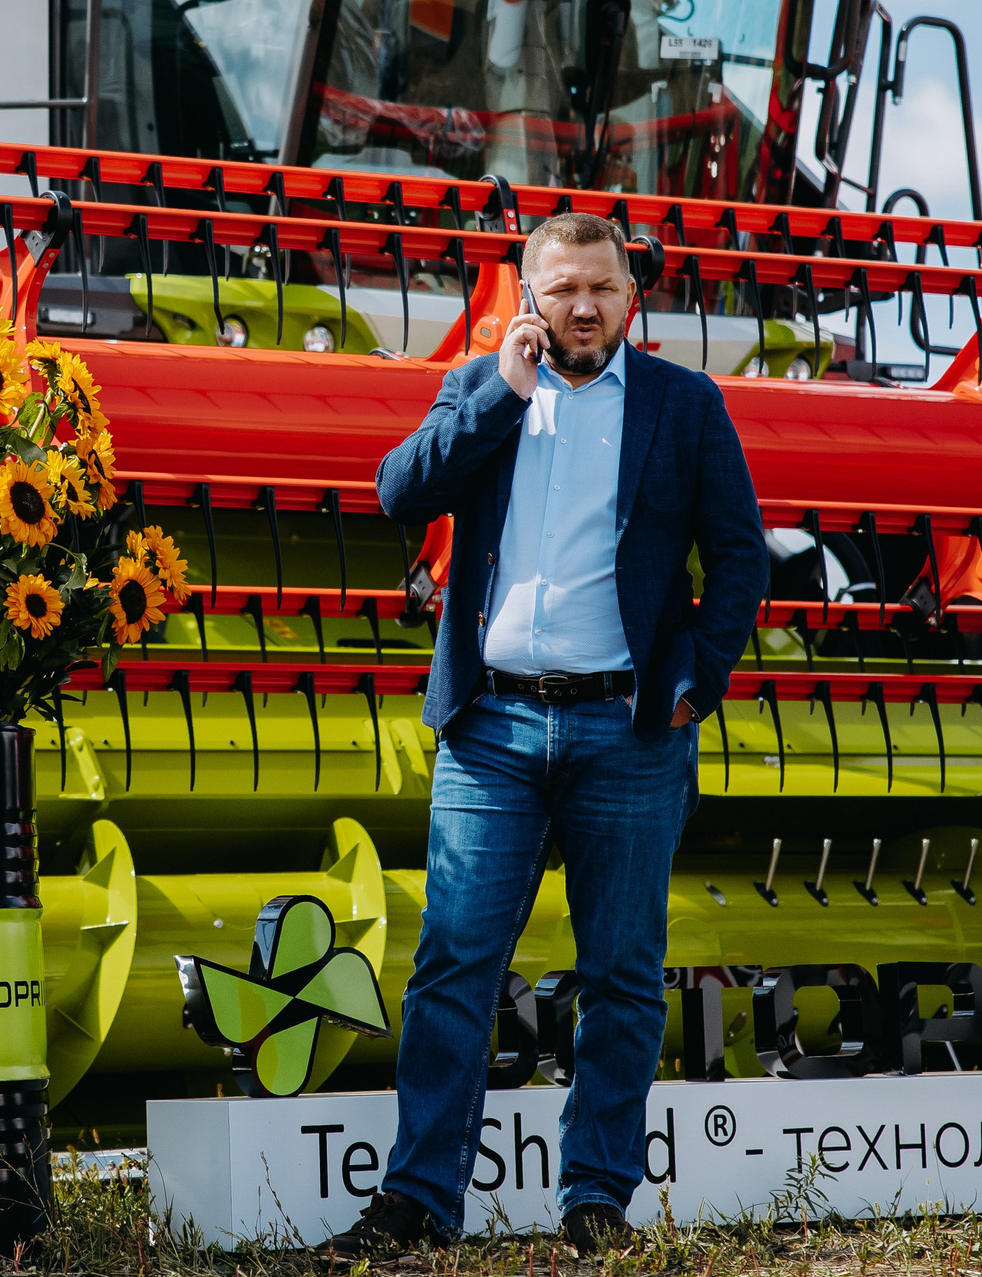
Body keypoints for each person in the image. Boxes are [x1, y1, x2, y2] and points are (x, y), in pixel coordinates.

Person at [321, 211, 765, 1257]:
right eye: (561, 288)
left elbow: (738, 557)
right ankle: (419, 1201)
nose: (581, 307)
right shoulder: (485, 391)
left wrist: (695, 680)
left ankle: (595, 1198)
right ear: (529, 296)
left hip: (628, 726)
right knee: (454, 964)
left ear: (630, 296)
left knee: (618, 971)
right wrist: (498, 394)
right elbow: (398, 491)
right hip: (493, 728)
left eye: (601, 290)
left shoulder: (685, 405)